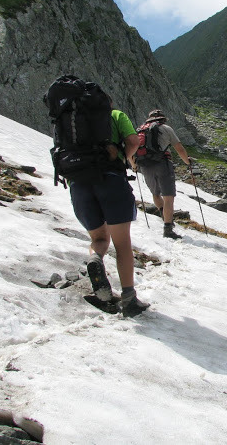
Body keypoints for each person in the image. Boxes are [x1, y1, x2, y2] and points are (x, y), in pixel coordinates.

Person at [68, 96, 150, 317]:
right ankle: (129, 299)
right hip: (111, 180)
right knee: (122, 243)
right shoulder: (115, 115)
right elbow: (133, 141)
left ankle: (95, 259)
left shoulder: (71, 121)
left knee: (99, 239)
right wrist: (124, 157)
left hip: (79, 185)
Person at [134, 109, 192, 239]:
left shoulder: (140, 130)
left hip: (145, 165)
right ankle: (168, 228)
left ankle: (164, 216)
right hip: (163, 164)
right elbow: (179, 148)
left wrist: (134, 165)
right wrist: (187, 162)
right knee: (168, 196)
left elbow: (133, 149)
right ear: (162, 119)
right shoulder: (166, 128)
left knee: (155, 194)